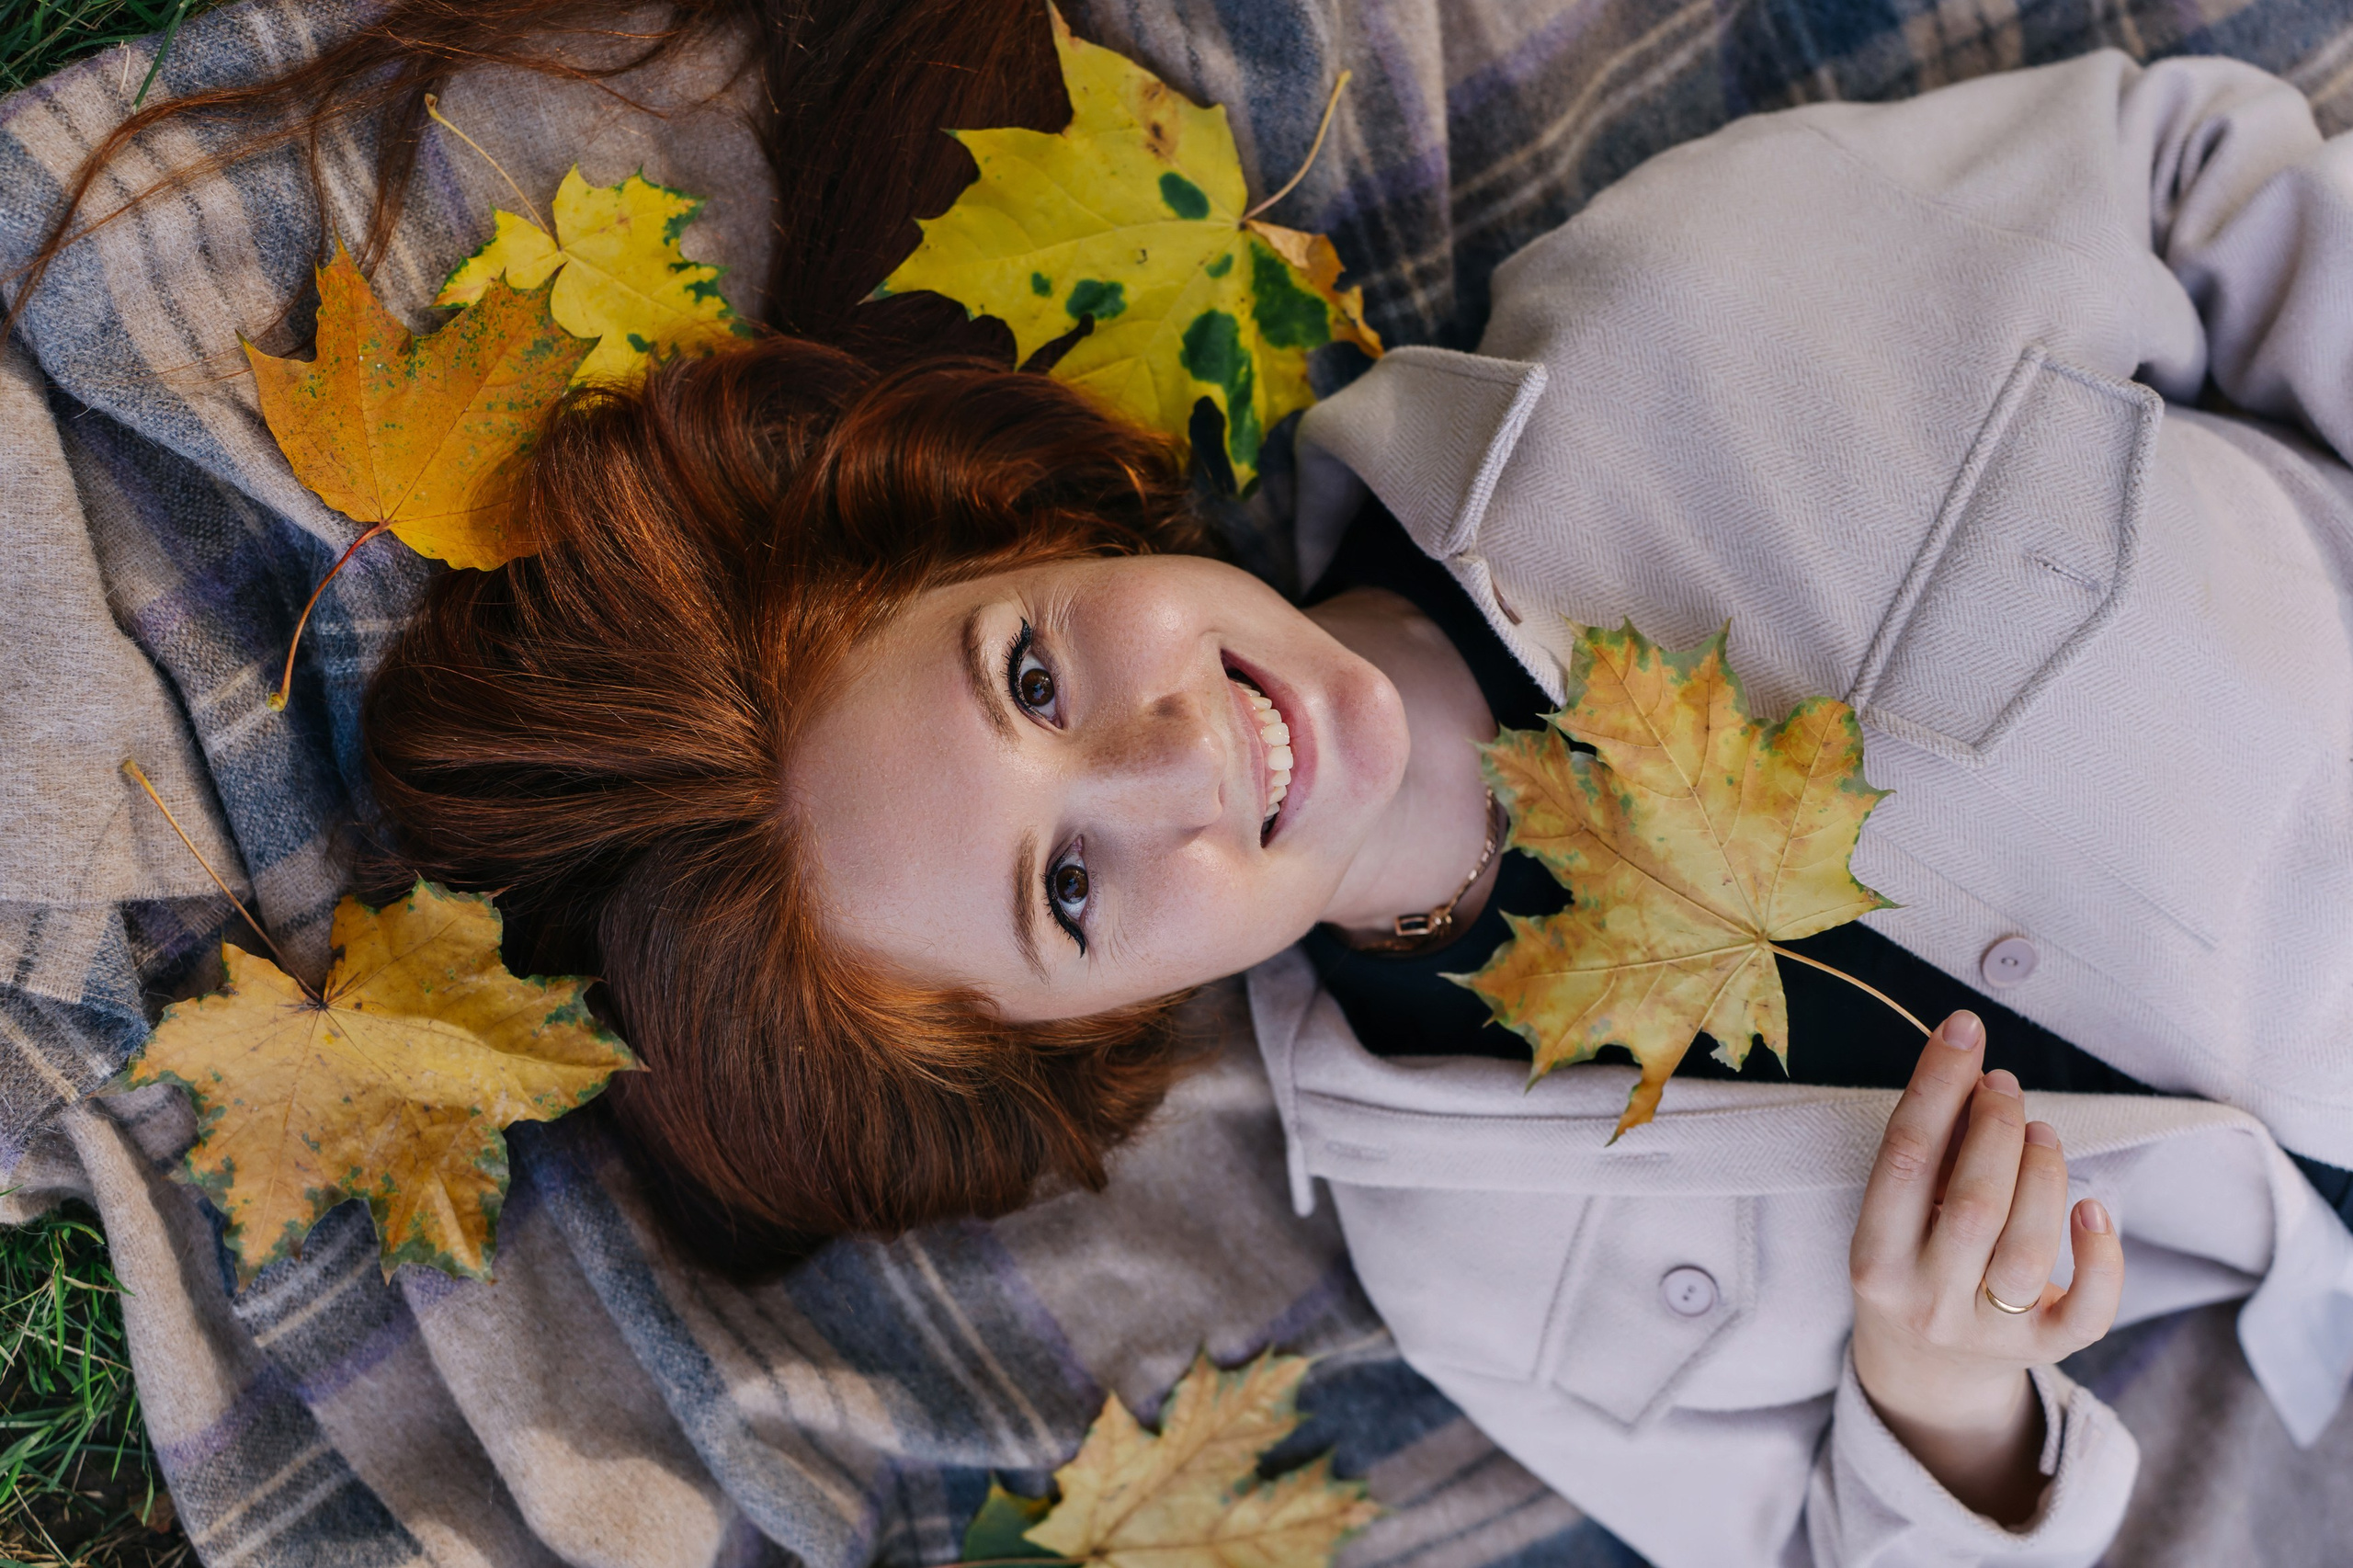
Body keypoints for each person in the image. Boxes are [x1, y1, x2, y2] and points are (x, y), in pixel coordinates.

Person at [20, 4, 2353, 1564]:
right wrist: (1947, 1406)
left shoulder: (1691, 313)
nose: (1165, 766)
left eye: (1031, 669)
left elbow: (2222, 184)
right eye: (1063, 891)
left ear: (1034, 531)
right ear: (1083, 1028)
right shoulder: (1483, 1259)